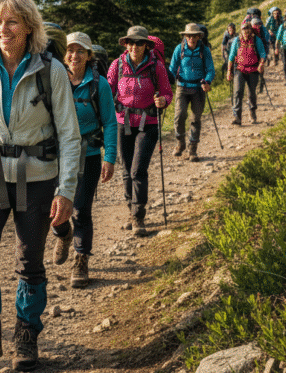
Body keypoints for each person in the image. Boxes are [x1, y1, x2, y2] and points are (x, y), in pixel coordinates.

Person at [0, 0, 80, 373]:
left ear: (28, 27)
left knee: (30, 262)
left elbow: (70, 136)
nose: (3, 29)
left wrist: (67, 191)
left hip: (39, 177)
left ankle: (26, 335)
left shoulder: (52, 72)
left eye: (11, 22)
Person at [51, 32, 118, 289]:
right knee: (51, 206)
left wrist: (109, 157)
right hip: (56, 155)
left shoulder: (99, 85)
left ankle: (81, 258)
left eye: (80, 51)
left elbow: (110, 122)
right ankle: (63, 234)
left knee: (80, 209)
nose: (74, 56)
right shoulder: (56, 80)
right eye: (70, 50)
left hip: (88, 155)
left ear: (89, 55)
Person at [107, 26, 172, 236]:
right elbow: (107, 91)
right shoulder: (117, 65)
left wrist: (163, 101)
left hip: (148, 122)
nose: (135, 47)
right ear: (126, 44)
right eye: (131, 42)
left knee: (137, 170)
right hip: (122, 121)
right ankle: (131, 210)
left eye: (139, 43)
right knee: (126, 170)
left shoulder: (157, 67)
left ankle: (138, 216)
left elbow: (167, 93)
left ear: (146, 45)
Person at [168, 24, 215, 162]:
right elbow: (172, 68)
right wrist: (167, 81)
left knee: (195, 119)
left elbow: (210, 69)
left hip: (198, 88)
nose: (191, 38)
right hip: (182, 87)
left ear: (199, 36)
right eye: (189, 35)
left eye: (194, 36)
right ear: (185, 36)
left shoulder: (204, 50)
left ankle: (192, 150)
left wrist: (207, 81)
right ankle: (180, 142)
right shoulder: (179, 49)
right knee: (179, 115)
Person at [225, 20, 267, 125]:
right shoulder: (237, 41)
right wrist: (229, 71)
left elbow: (262, 54)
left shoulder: (256, 40)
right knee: (238, 92)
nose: (246, 32)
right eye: (244, 29)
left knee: (251, 93)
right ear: (241, 30)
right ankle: (237, 117)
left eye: (247, 29)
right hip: (239, 69)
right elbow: (231, 57)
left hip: (253, 69)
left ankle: (252, 114)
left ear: (251, 30)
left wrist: (261, 64)